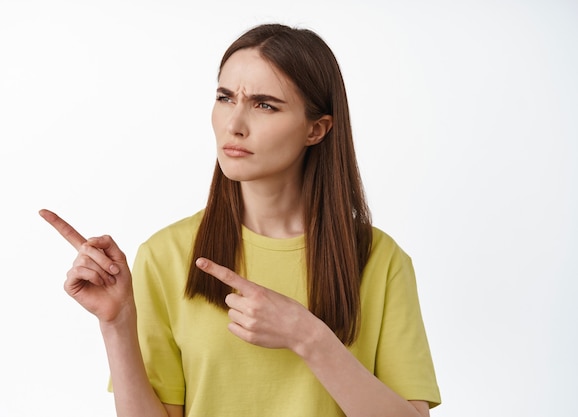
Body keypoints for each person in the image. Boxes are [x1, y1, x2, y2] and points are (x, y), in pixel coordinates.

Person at [40, 23, 441, 417]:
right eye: (225, 97)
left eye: (264, 104)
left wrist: (308, 337)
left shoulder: (379, 260)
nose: (234, 124)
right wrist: (117, 323)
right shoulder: (166, 255)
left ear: (316, 130)